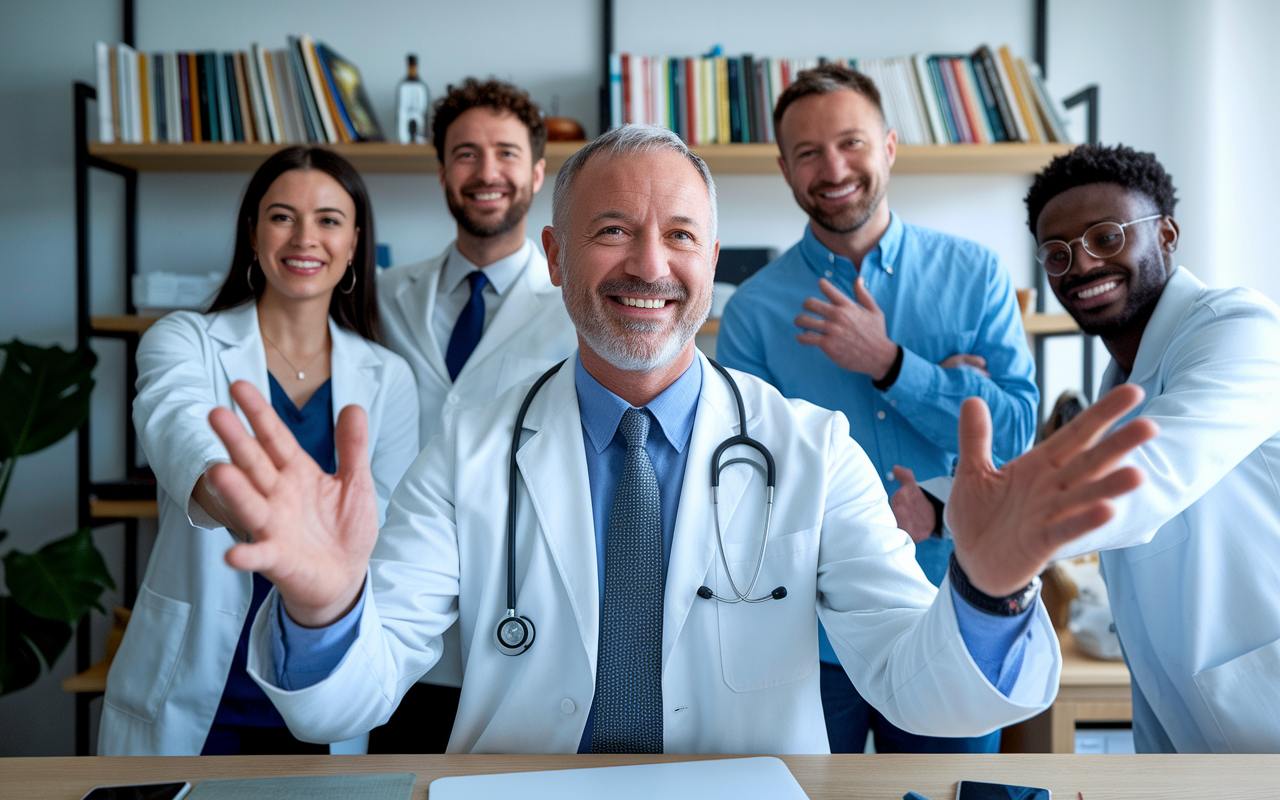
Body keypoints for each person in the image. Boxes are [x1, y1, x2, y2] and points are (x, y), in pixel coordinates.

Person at [207, 125, 1153, 754]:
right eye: (611, 231)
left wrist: (987, 593)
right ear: (554, 257)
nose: (649, 266)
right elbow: (343, 702)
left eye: (681, 236)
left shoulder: (812, 448)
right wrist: (327, 610)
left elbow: (921, 690)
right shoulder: (472, 445)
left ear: (710, 259)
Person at [715, 63, 1038, 753]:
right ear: (784, 167)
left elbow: (1014, 433)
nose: (833, 167)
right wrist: (857, 515)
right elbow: (740, 482)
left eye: (851, 142)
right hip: (805, 636)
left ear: (889, 146)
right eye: (808, 152)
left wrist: (893, 366)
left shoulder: (976, 275)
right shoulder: (752, 313)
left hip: (954, 613)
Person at [99, 146, 419, 756]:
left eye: (329, 220)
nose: (305, 237)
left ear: (355, 244)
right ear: (252, 234)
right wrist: (267, 522)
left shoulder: (388, 376)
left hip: (322, 685)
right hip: (194, 695)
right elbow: (180, 441)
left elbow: (386, 532)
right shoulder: (183, 339)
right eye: (281, 216)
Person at [1023, 143, 1280, 752]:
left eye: (1106, 237)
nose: (1080, 265)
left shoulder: (1239, 328)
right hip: (1184, 732)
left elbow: (1146, 472)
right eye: (1056, 254)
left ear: (1166, 233)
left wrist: (973, 521)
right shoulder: (1121, 385)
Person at [372, 79, 578, 751]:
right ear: (440, 170)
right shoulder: (378, 297)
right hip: (396, 610)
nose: (487, 172)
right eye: (465, 153)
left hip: (519, 612)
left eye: (506, 153)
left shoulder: (577, 310)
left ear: (538, 172)